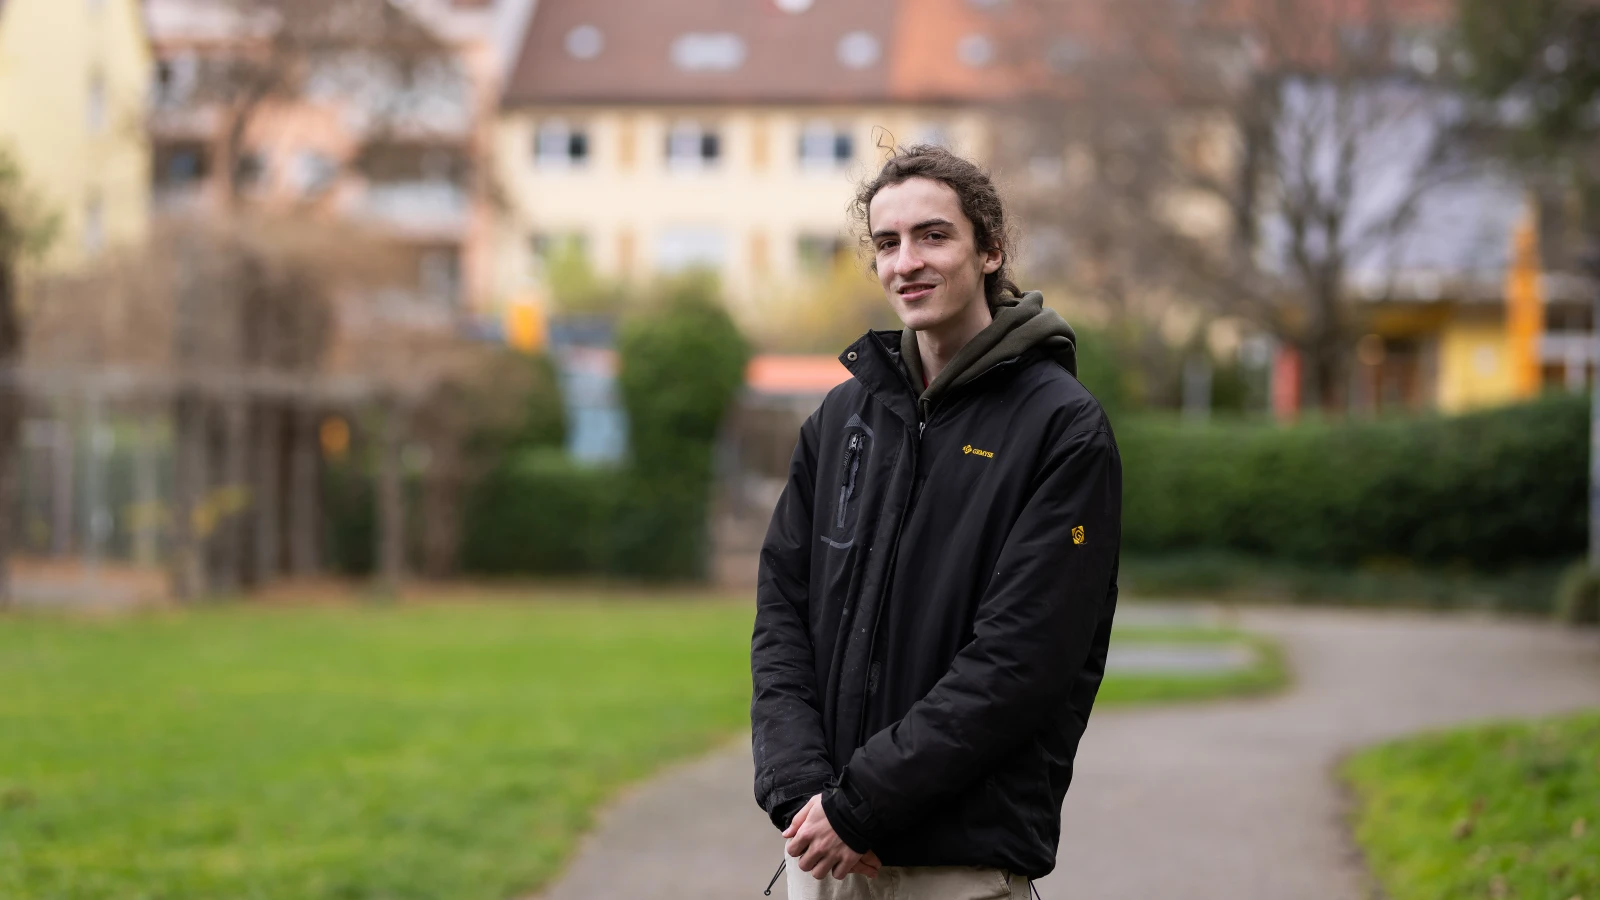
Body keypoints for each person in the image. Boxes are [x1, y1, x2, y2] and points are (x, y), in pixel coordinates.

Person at [750, 144, 1123, 900]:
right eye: (886, 243)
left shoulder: (1062, 428)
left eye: (933, 236)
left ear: (990, 250)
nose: (906, 262)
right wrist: (801, 791)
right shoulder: (841, 419)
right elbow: (781, 614)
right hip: (823, 853)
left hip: (960, 863)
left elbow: (1021, 664)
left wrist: (861, 805)